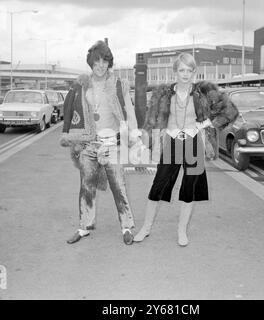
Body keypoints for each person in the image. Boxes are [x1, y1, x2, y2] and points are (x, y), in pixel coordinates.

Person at [134, 52, 238, 246]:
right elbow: (151, 119)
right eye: (181, 70)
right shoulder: (163, 93)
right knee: (158, 185)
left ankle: (182, 231)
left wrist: (207, 122)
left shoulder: (204, 91)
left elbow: (230, 111)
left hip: (193, 143)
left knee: (189, 188)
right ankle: (145, 228)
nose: (185, 74)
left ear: (194, 72)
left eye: (189, 70)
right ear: (175, 71)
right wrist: (142, 144)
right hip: (172, 142)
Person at [60, 40, 142, 245]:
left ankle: (126, 227)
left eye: (104, 61)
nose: (100, 66)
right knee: (86, 186)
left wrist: (135, 136)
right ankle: (84, 227)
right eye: (96, 62)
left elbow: (129, 111)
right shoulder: (82, 85)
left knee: (118, 186)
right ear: (91, 63)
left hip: (111, 143)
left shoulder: (118, 84)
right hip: (89, 145)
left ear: (109, 62)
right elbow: (71, 110)